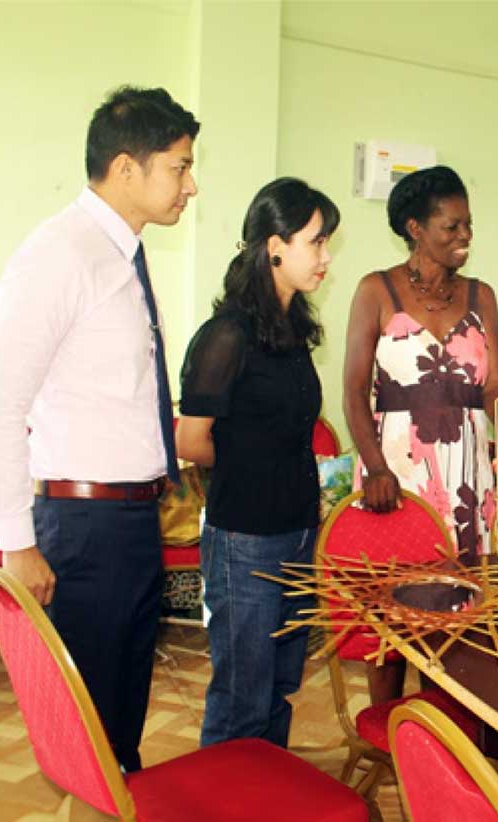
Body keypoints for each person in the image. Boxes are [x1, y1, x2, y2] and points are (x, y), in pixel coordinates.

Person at [0, 86, 199, 771]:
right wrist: (17, 543)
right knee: (89, 737)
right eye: (180, 167)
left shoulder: (123, 253)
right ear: (126, 168)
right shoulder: (59, 254)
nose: (192, 185)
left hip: (131, 521)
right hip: (83, 526)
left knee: (120, 727)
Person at [176, 178, 339, 747]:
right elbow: (190, 439)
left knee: (279, 685)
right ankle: (224, 799)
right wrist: (249, 461)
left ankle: (267, 792)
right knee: (242, 695)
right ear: (275, 245)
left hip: (297, 531)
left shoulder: (293, 332)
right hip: (244, 536)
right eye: (316, 243)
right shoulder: (228, 335)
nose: (324, 257)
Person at [343, 166, 498, 557]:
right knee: (400, 592)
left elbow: (494, 384)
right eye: (451, 226)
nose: (465, 236)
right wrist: (376, 468)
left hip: (468, 472)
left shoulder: (482, 296)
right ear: (415, 228)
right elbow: (354, 392)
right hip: (395, 471)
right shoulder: (376, 290)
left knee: (466, 594)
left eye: (469, 225)